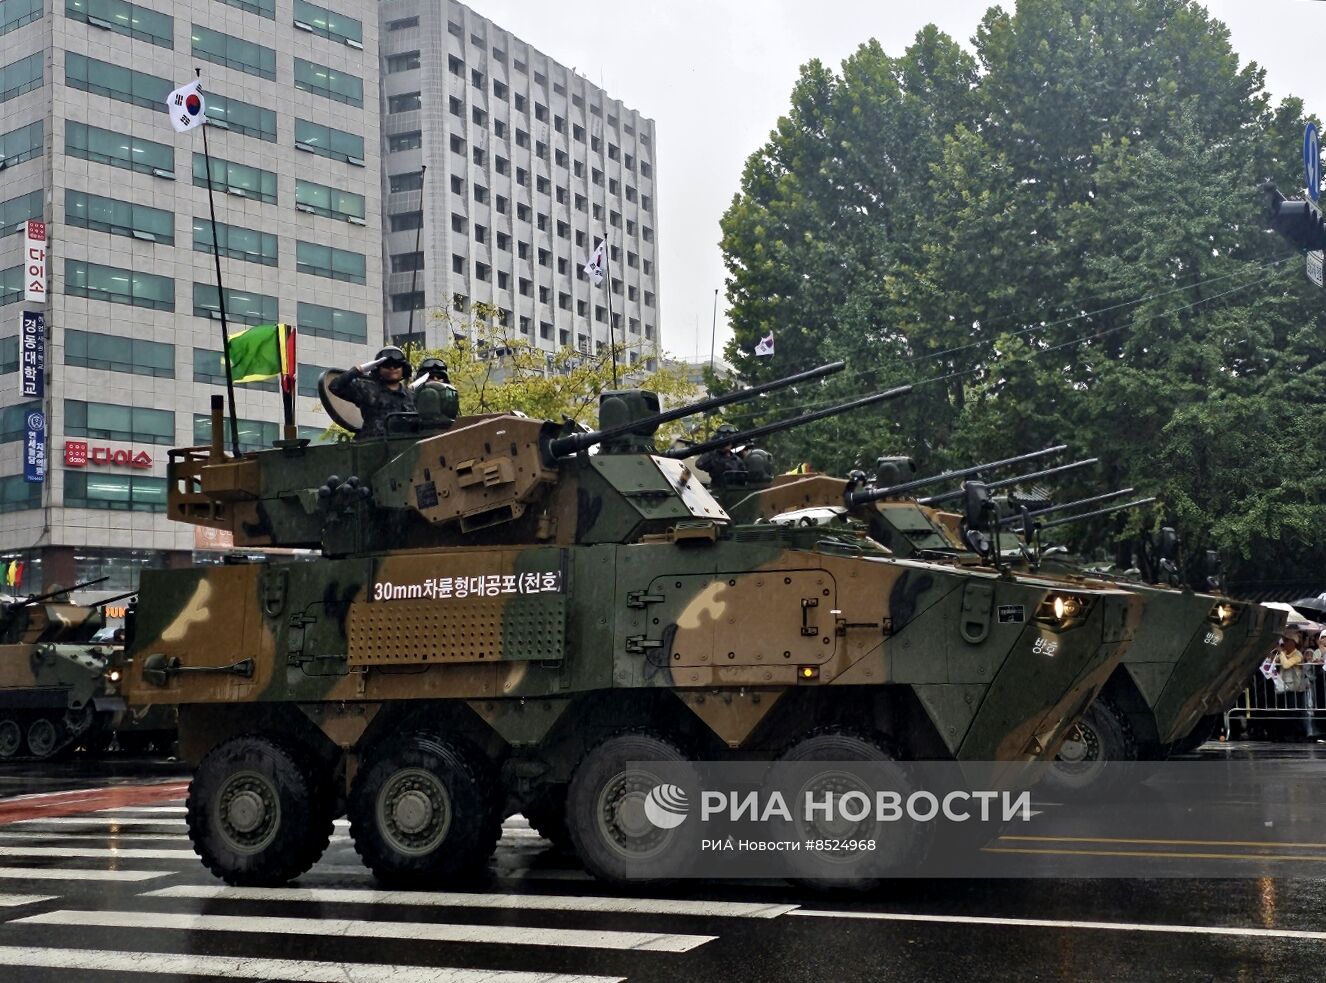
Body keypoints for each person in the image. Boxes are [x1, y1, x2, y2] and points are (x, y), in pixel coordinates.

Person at [330, 347, 415, 441]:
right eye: (386, 365)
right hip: (372, 447)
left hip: (406, 447)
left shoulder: (411, 396)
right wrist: (359, 369)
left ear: (404, 368)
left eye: (397, 365)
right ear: (378, 368)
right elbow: (335, 386)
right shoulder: (366, 388)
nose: (392, 368)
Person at [696, 424, 747, 488]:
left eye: (729, 442)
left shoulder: (737, 460)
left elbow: (746, 476)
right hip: (718, 492)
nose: (726, 444)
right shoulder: (713, 457)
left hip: (736, 493)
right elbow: (699, 464)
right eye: (724, 442)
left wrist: (744, 453)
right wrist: (713, 447)